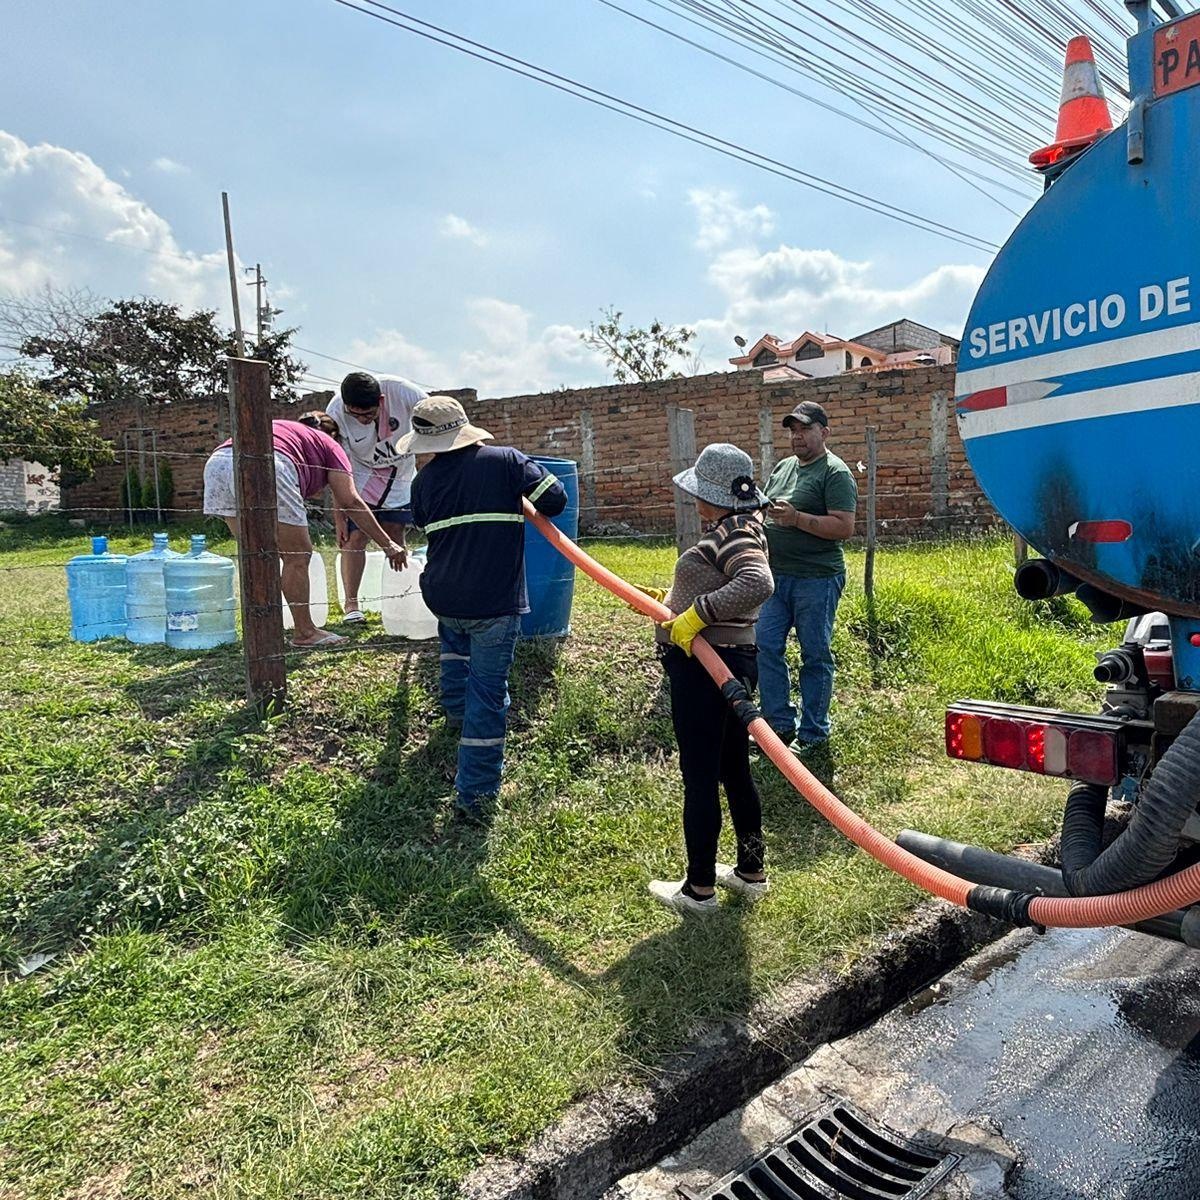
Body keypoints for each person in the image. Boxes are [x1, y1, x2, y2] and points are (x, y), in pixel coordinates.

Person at [398, 395, 567, 822]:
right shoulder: (506, 460)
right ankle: (475, 795)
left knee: (455, 653)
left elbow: (421, 521)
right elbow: (555, 500)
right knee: (489, 696)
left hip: (443, 596)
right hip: (493, 602)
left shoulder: (423, 483)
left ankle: (454, 716)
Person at [643, 443, 774, 916]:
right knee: (733, 768)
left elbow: (757, 583)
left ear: (713, 495)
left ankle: (699, 890)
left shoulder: (734, 531)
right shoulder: (743, 526)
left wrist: (694, 614)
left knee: (700, 774)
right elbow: (727, 580)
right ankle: (750, 872)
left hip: (708, 669)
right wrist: (675, 600)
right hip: (733, 660)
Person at [202, 416, 407, 648]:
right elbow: (350, 500)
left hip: (217, 462)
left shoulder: (287, 430)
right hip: (268, 464)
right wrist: (388, 544)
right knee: (297, 556)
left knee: (256, 553)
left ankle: (261, 632)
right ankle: (305, 632)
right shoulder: (331, 445)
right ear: (334, 435)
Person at [756, 400, 857, 755]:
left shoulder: (835, 472)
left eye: (805, 429)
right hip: (776, 577)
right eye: (792, 430)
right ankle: (778, 724)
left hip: (816, 579)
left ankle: (814, 733)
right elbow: (765, 511)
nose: (797, 436)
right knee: (765, 645)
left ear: (824, 432)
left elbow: (844, 527)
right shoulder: (783, 467)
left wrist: (797, 519)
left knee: (814, 654)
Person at [326, 371, 427, 621]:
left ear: (381, 401)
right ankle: (351, 605)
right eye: (355, 414)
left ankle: (400, 598)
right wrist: (339, 516)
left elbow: (436, 416)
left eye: (368, 414)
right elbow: (336, 467)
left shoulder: (403, 391)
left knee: (394, 531)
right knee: (355, 536)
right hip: (360, 474)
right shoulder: (336, 411)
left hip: (399, 473)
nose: (361, 419)